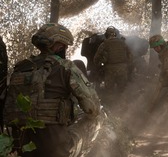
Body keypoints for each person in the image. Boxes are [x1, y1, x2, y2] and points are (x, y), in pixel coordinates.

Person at [4, 23, 101, 157]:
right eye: (65, 46)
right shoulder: (65, 67)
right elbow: (93, 108)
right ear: (58, 45)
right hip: (55, 149)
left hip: (21, 147)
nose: (65, 50)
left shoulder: (20, 68)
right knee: (97, 119)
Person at [94, 26, 132, 95]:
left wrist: (100, 65)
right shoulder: (123, 43)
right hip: (122, 69)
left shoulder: (104, 44)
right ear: (115, 34)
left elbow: (96, 58)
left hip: (110, 70)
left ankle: (111, 104)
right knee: (122, 90)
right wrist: (126, 65)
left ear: (106, 35)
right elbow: (130, 55)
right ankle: (123, 104)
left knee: (109, 91)